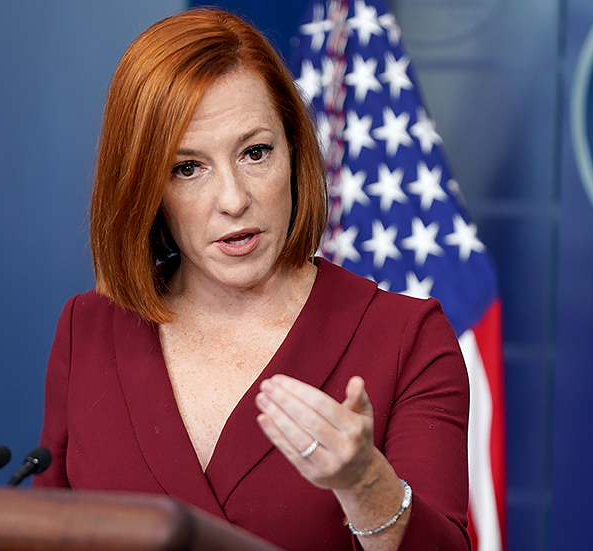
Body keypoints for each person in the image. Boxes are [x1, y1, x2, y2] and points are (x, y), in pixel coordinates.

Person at [32, 8, 470, 551]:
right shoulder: (88, 329)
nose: (234, 200)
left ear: (293, 152)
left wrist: (365, 484)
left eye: (255, 152)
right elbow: (47, 528)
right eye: (187, 168)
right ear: (144, 186)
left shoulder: (407, 339)